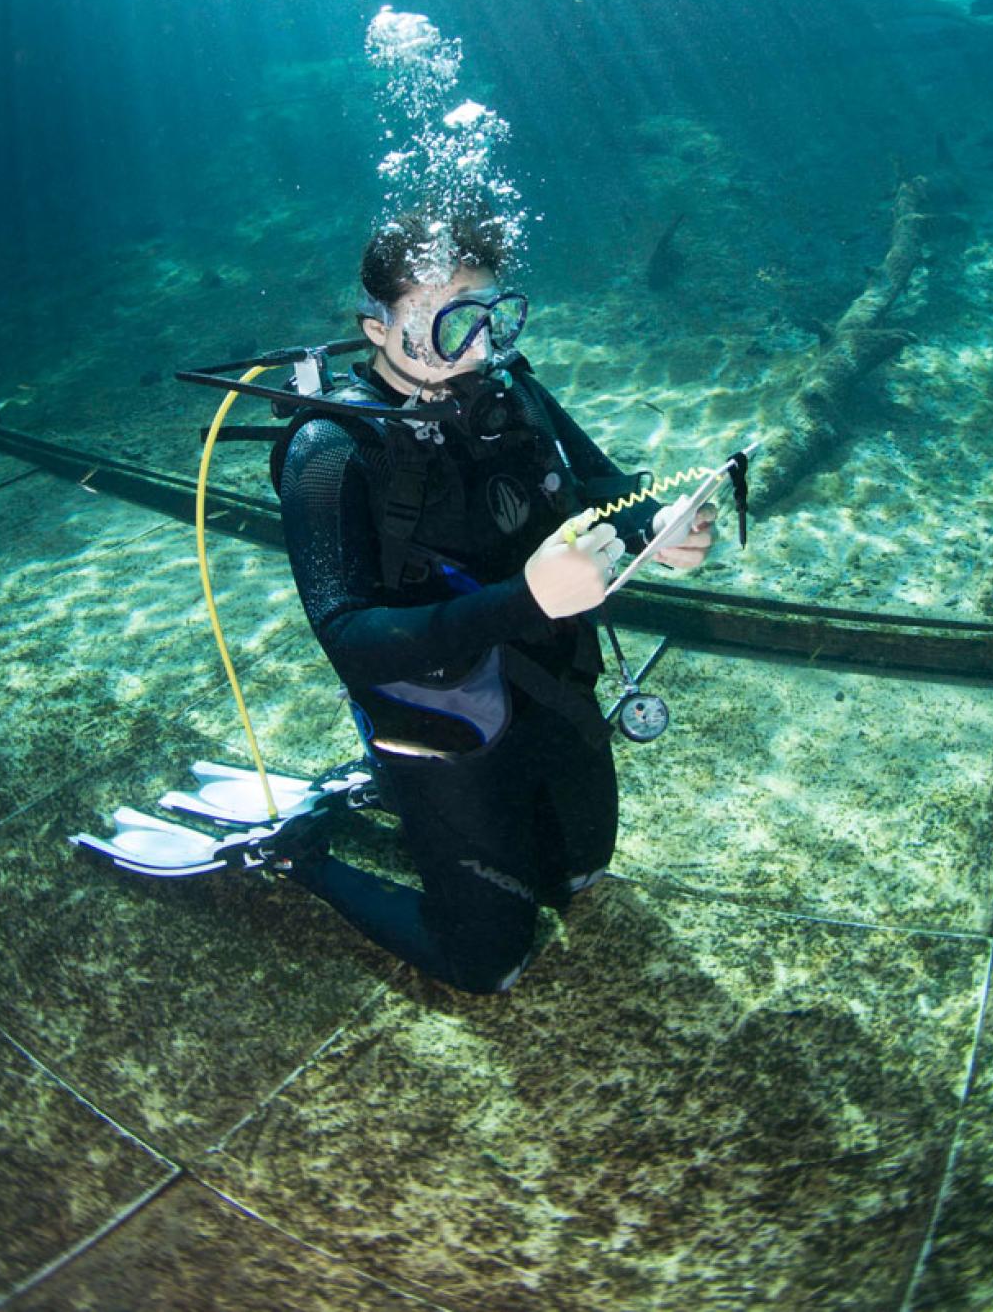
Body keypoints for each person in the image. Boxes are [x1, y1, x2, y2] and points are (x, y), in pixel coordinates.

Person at [275, 206, 716, 993]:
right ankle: (301, 859)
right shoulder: (330, 450)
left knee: (579, 873)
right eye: (442, 323)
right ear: (375, 329)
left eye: (487, 315)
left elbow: (600, 485)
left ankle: (391, 801)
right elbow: (350, 639)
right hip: (442, 722)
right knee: (492, 960)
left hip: (552, 682)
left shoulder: (511, 389)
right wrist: (527, 597)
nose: (475, 346)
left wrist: (661, 525)